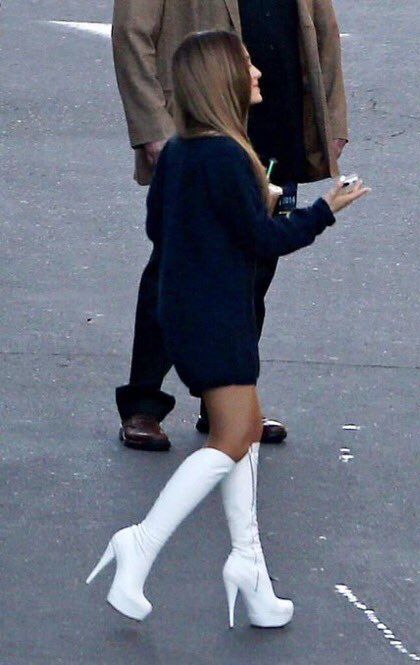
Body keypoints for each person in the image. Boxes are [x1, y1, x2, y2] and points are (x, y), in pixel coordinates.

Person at [87, 31, 369, 627]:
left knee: (240, 434)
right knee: (230, 440)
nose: (259, 73)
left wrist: (238, 213)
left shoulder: (187, 153)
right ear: (224, 81)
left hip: (189, 311)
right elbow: (267, 242)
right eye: (248, 66)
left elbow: (159, 229)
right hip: (218, 317)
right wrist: (325, 209)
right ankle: (138, 546)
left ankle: (249, 567)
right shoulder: (227, 157)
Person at [112, 0, 349, 450]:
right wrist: (153, 127)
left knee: (257, 268)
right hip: (204, 126)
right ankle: (143, 403)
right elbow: (131, 33)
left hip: (278, 125)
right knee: (174, 265)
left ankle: (225, 402)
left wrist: (331, 118)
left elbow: (323, 29)